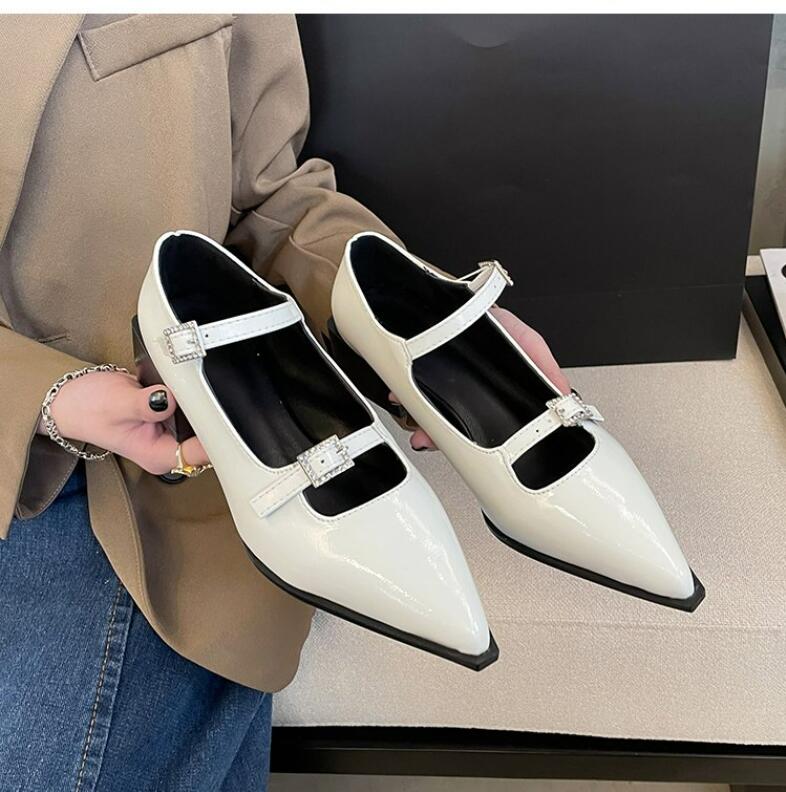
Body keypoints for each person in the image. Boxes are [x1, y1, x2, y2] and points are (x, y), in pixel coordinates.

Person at [0, 13, 569, 791]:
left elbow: (267, 195)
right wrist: (41, 394)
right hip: (55, 479)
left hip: (143, 481)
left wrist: (404, 312)